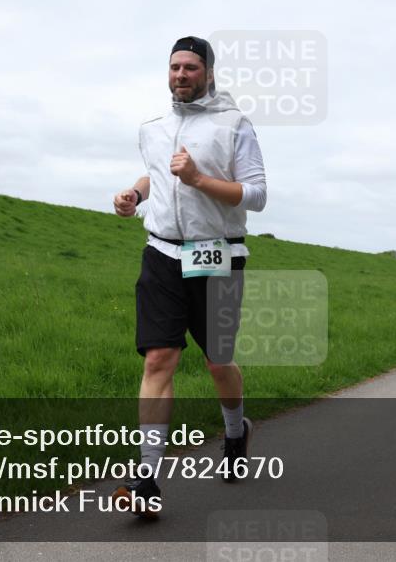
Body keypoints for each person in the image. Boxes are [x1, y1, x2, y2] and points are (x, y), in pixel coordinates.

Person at [111, 36, 267, 517]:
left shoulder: (234, 124)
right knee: (159, 359)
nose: (181, 74)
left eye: (191, 67)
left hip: (216, 255)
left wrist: (198, 179)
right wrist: (135, 195)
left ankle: (236, 432)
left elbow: (256, 195)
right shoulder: (153, 127)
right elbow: (155, 175)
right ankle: (146, 480)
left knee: (218, 361)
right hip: (161, 253)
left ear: (210, 73)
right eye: (175, 67)